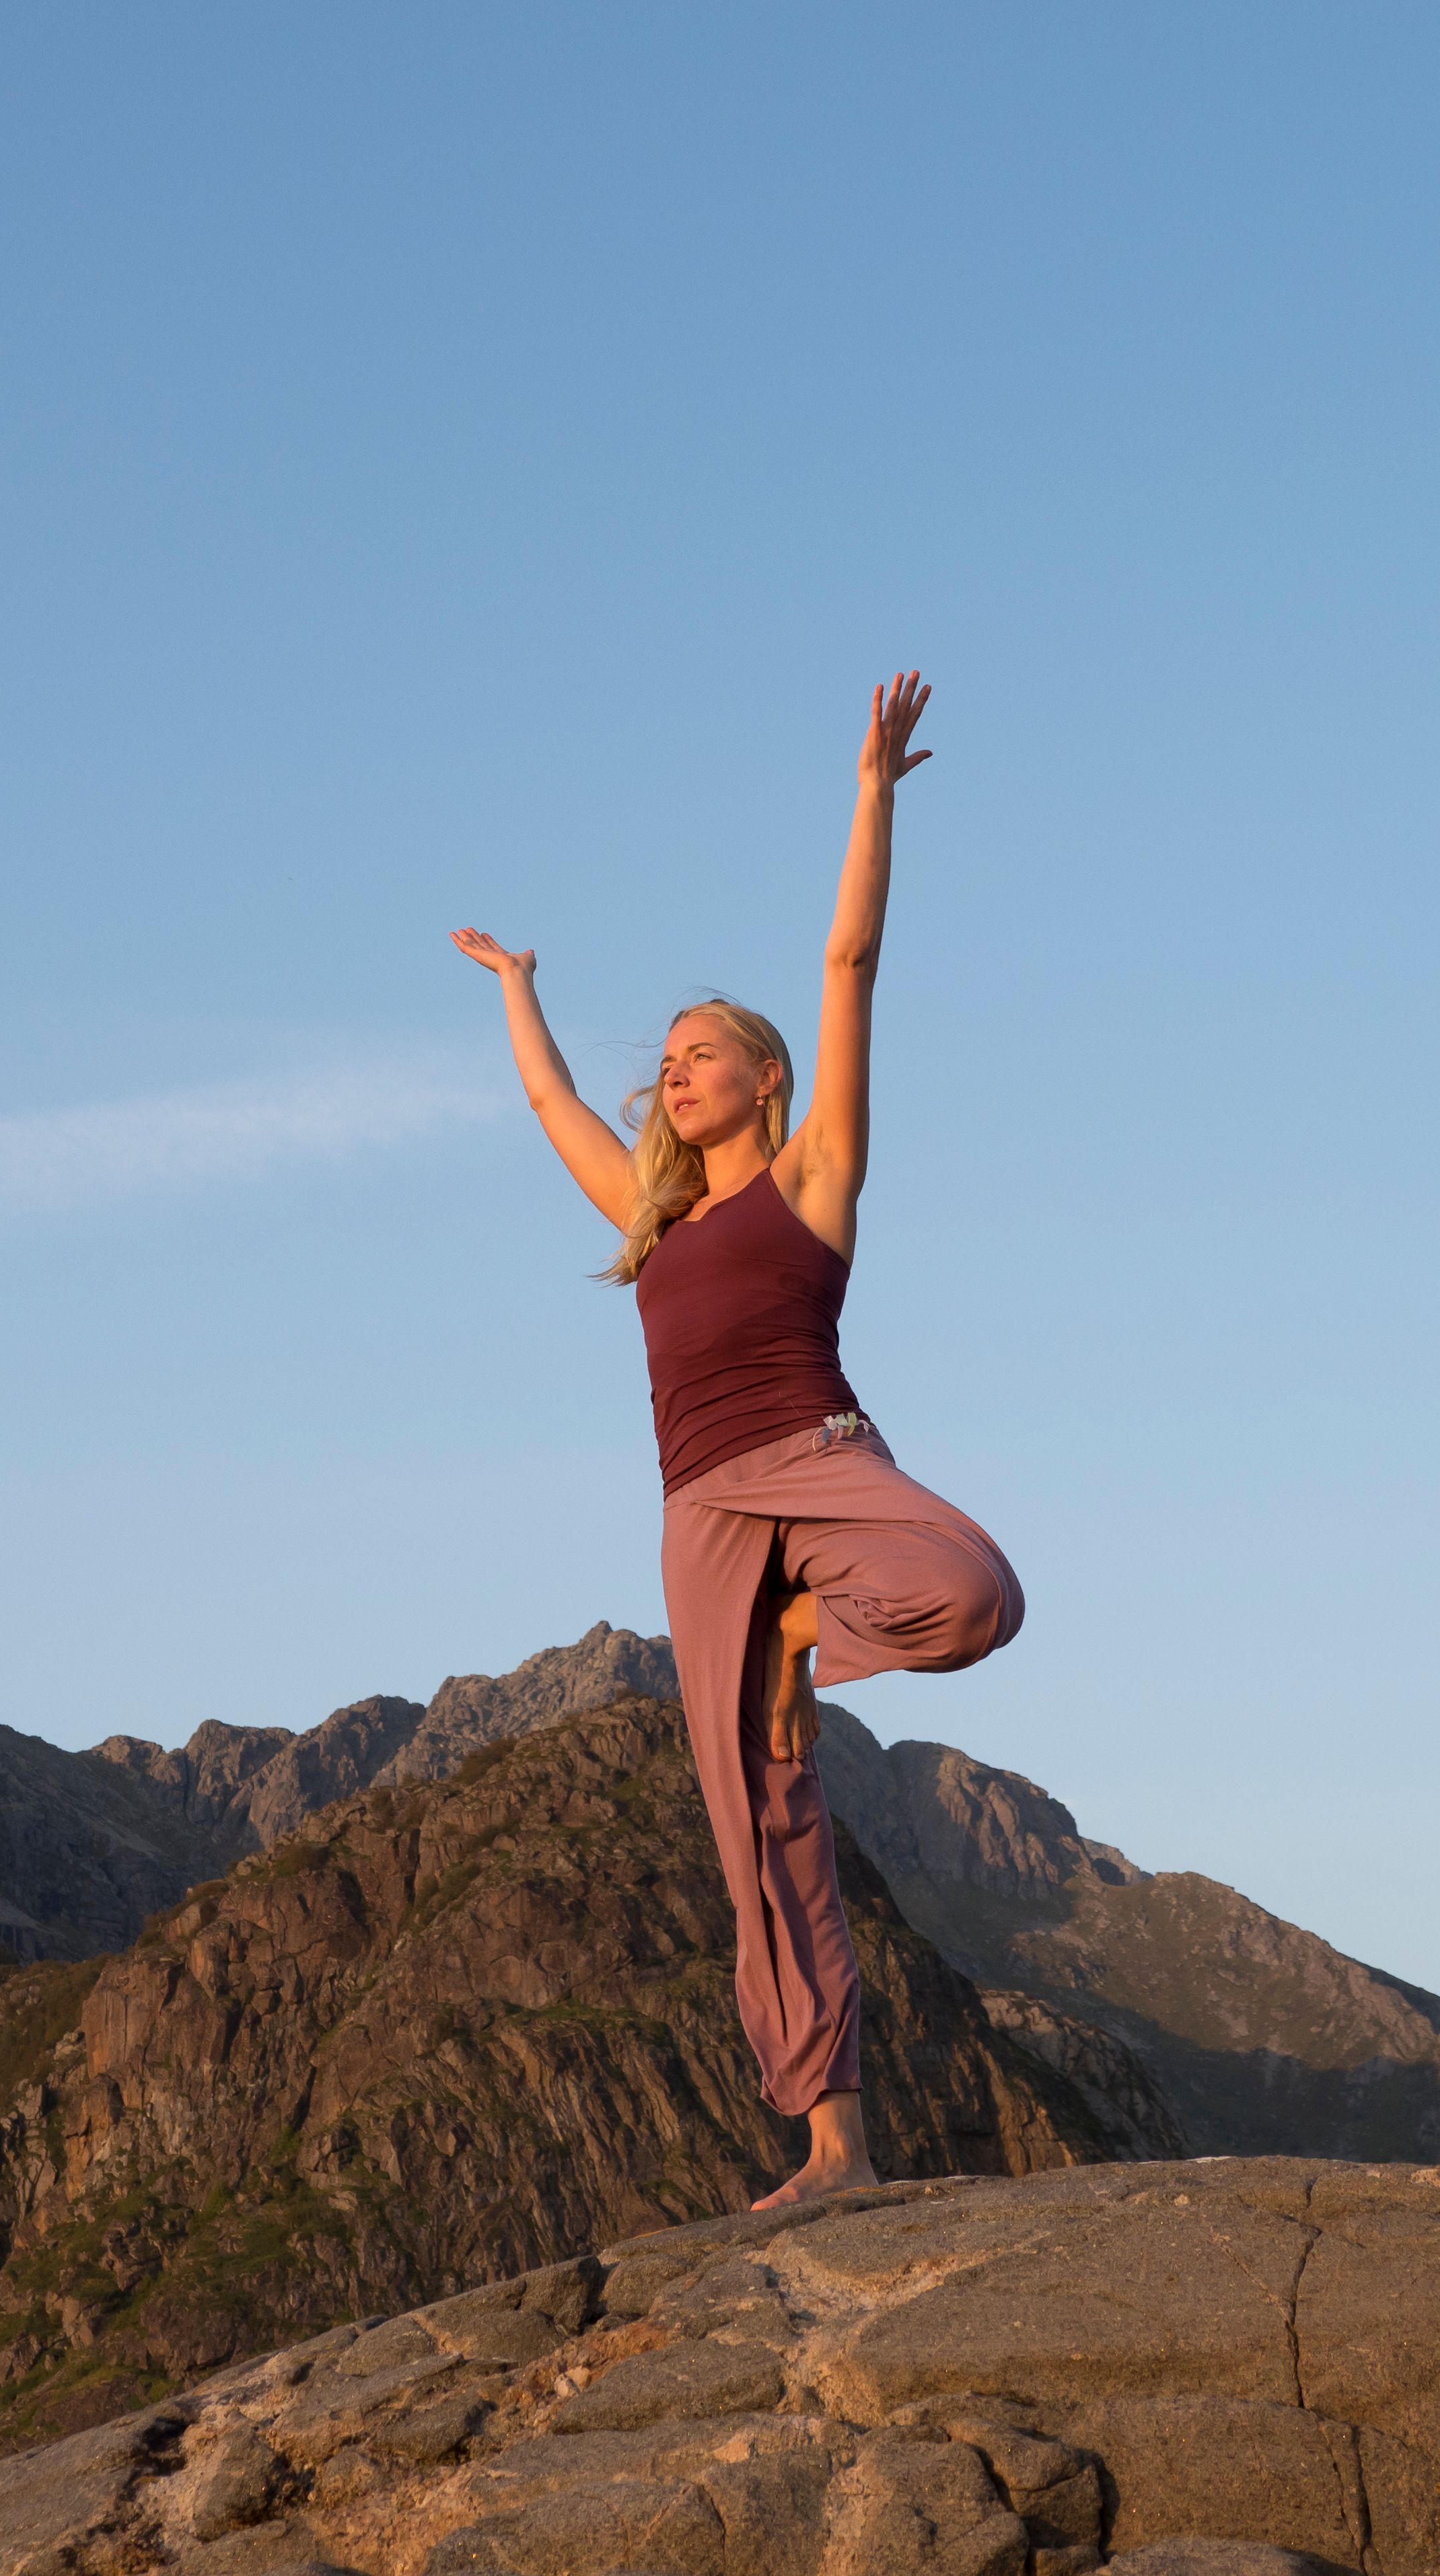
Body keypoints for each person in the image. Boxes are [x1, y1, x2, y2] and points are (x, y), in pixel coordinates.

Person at [449, 671, 1023, 2210]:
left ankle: (810, 1625)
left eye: (702, 1050)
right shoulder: (654, 1221)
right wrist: (516, 983)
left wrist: (874, 792)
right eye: (670, 1060)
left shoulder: (815, 1176)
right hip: (700, 1516)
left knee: (974, 1590)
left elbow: (850, 957)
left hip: (819, 1457)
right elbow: (557, 1101)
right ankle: (832, 2140)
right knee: (761, 1818)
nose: (675, 1070)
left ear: (764, 1075)